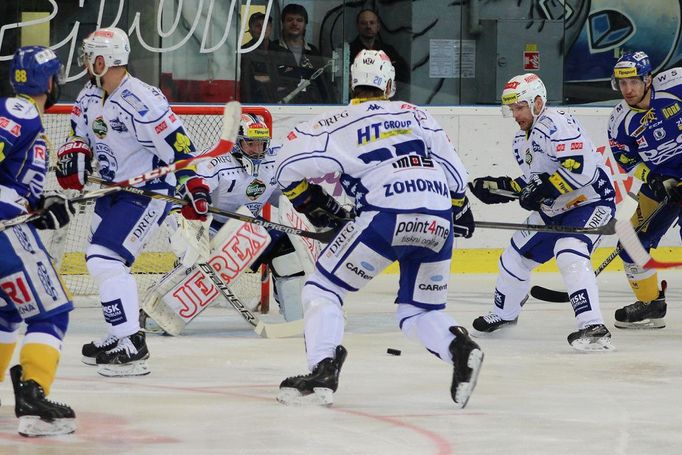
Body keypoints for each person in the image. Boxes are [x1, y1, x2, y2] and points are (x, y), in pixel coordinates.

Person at [274, 49, 483, 408]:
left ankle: (323, 368)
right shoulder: (417, 114)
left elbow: (285, 168)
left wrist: (312, 203)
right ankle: (459, 348)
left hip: (386, 216)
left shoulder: (335, 122)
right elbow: (455, 175)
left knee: (322, 289)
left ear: (353, 82)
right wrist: (460, 208)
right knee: (417, 311)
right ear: (389, 84)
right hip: (437, 219)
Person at [55, 27, 211, 376]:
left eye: (88, 55)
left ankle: (132, 345)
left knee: (104, 259)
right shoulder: (88, 95)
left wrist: (194, 186)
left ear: (102, 60)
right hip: (111, 191)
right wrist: (75, 153)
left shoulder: (143, 100)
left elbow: (180, 145)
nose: (83, 61)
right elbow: (77, 134)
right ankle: (119, 333)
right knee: (104, 265)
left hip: (146, 192)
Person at [469, 73, 616, 351]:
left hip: (593, 202)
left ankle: (593, 326)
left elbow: (579, 169)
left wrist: (544, 190)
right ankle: (505, 314)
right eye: (512, 109)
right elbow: (535, 183)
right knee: (514, 256)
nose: (515, 114)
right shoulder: (520, 141)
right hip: (556, 210)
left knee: (569, 249)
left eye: (520, 107)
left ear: (537, 102)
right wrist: (501, 188)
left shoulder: (556, 122)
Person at [142, 111, 306, 331]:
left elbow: (284, 197)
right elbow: (188, 195)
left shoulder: (273, 160)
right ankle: (153, 312)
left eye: (261, 144)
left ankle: (297, 317)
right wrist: (189, 225)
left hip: (247, 226)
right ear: (238, 143)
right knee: (196, 266)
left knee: (287, 252)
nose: (257, 151)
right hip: (206, 225)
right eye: (251, 144)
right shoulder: (214, 162)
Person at [0, 46, 76, 436]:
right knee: (50, 313)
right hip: (5, 232)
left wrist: (43, 203)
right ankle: (34, 399)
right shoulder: (20, 110)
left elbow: (15, 183)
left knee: (7, 313)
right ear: (49, 81)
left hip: (12, 220)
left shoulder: (28, 117)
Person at [608, 51, 682, 329]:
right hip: (664, 181)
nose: (627, 90)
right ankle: (652, 304)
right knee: (630, 241)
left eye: (633, 82)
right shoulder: (619, 122)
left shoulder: (677, 85)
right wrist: (652, 179)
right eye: (621, 83)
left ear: (648, 79)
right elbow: (626, 160)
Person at [270, 3, 335, 103]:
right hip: (280, 108)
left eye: (299, 20)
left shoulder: (313, 52)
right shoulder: (272, 49)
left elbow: (324, 86)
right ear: (282, 23)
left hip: (310, 109)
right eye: (290, 20)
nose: (294, 23)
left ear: (305, 24)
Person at [349, 9, 409, 88]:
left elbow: (404, 76)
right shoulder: (348, 51)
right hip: (356, 96)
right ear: (357, 26)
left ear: (378, 26)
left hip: (382, 97)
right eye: (364, 23)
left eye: (372, 23)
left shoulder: (388, 51)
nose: (368, 26)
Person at [240, 12, 278, 103]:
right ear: (250, 30)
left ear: (271, 28)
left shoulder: (281, 52)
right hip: (253, 104)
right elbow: (245, 85)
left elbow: (289, 81)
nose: (262, 29)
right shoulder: (243, 52)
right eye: (257, 25)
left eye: (265, 25)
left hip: (280, 105)